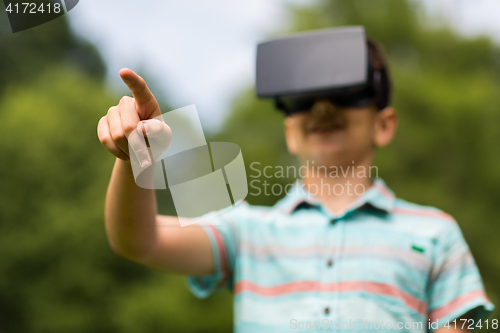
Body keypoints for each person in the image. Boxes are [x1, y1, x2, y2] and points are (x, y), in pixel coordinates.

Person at [97, 30, 494, 332]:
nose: (322, 108)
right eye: (303, 98)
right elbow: (137, 240)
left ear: (384, 124)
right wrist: (138, 154)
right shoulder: (247, 230)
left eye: (346, 91)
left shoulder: (435, 234)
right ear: (289, 130)